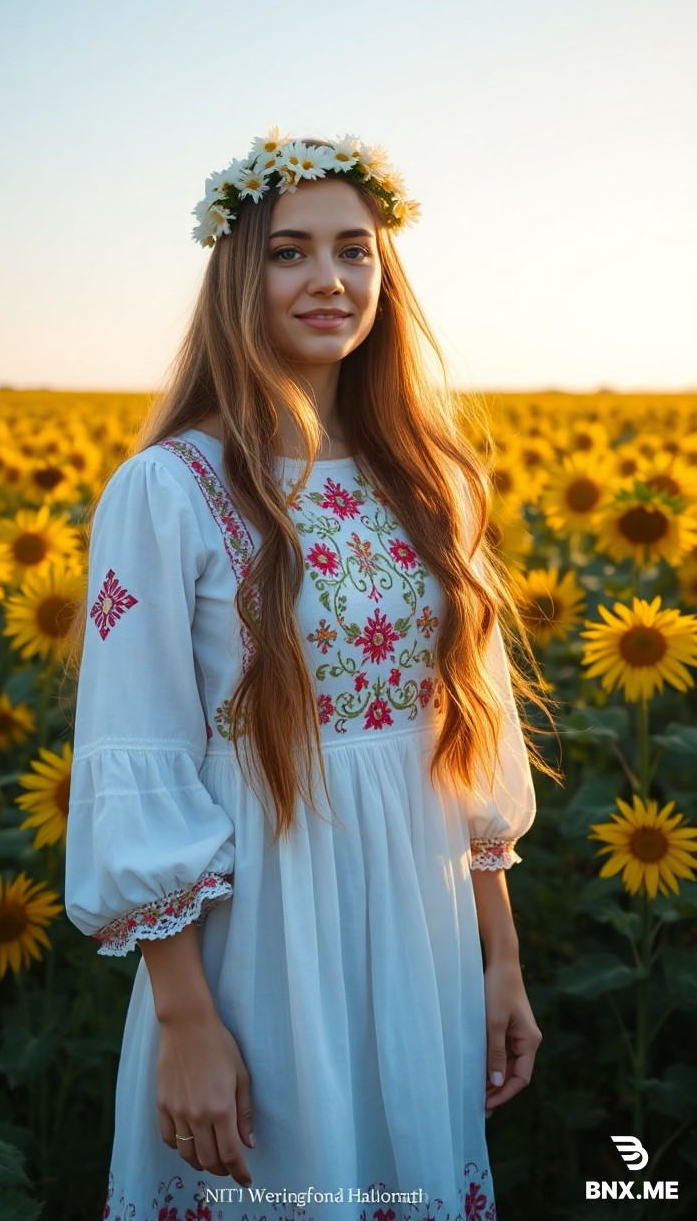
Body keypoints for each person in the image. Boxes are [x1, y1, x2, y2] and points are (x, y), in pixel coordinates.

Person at [65, 130, 552, 1221]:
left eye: (355, 249)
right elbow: (132, 751)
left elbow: (469, 734)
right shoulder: (169, 490)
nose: (329, 280)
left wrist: (500, 958)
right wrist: (187, 1023)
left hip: (421, 934)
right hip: (259, 942)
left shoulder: (433, 482)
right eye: (290, 252)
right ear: (241, 275)